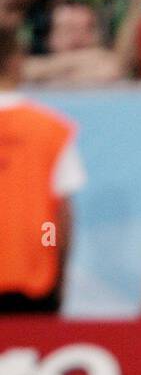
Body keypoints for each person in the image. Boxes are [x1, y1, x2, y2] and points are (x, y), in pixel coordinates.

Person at [0, 26, 86, 314]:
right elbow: (63, 215)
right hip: (32, 283)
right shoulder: (51, 130)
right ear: (16, 61)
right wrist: (60, 283)